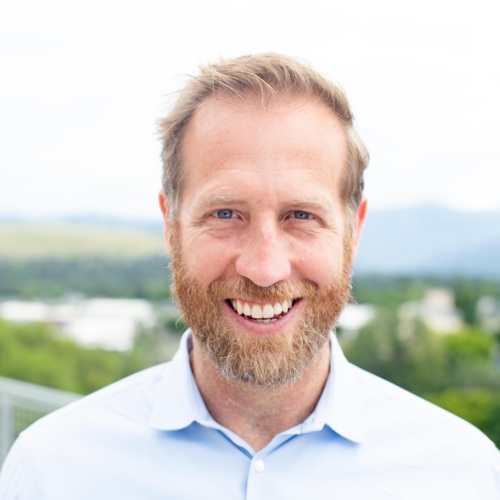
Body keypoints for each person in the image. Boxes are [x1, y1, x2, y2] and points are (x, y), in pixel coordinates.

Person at [1, 53, 499, 499]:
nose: (264, 269)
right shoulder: (52, 471)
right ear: (171, 228)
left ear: (354, 230)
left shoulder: (464, 476)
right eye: (225, 214)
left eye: (301, 216)